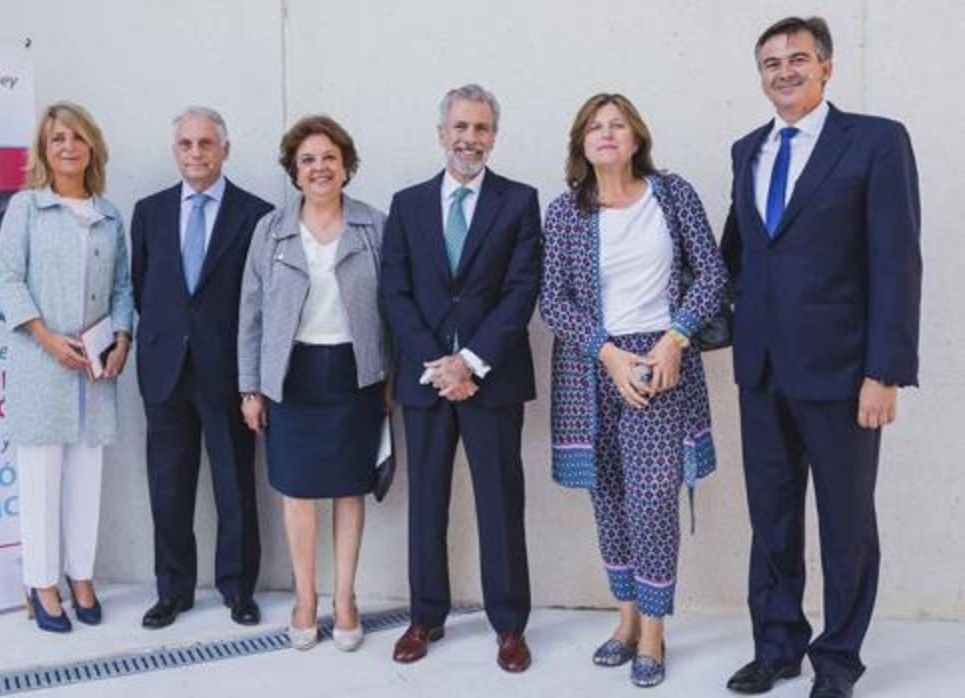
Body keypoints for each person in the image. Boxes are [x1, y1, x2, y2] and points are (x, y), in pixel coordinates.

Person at [721, 17, 921, 698]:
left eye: (798, 59)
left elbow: (897, 261)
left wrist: (885, 370)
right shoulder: (746, 149)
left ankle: (837, 662)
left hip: (844, 373)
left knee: (846, 524)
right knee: (771, 518)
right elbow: (741, 255)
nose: (784, 71)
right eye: (771, 62)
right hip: (762, 370)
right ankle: (777, 646)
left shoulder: (874, 141)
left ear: (826, 67)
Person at [541, 93, 727, 687]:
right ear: (581, 142)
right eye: (595, 126)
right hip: (595, 363)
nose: (607, 133)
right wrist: (606, 352)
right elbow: (553, 298)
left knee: (652, 502)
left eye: (618, 124)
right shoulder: (565, 212)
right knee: (611, 498)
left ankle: (653, 628)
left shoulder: (672, 196)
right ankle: (624, 618)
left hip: (661, 362)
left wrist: (675, 339)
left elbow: (712, 272)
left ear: (637, 137)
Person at [380, 84, 539, 673]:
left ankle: (509, 627)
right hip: (426, 381)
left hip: (490, 380)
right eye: (460, 128)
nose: (470, 139)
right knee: (427, 502)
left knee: (501, 502)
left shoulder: (520, 201)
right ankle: (425, 618)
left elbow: (522, 290)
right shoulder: (408, 203)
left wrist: (469, 362)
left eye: (481, 129)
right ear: (441, 132)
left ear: (494, 136)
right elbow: (394, 292)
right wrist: (436, 364)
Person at [237, 115, 388, 652]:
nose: (319, 167)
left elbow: (393, 307)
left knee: (351, 489)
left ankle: (345, 599)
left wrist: (389, 378)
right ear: (294, 171)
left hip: (355, 374)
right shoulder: (270, 229)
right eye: (308, 159)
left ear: (346, 166)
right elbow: (250, 313)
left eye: (329, 157)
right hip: (291, 377)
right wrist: (250, 387)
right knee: (297, 493)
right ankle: (306, 598)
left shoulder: (375, 225)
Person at [131, 107, 273, 630]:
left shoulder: (256, 213)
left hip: (228, 372)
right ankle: (173, 591)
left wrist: (252, 378)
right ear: (176, 151)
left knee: (235, 483)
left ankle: (238, 589)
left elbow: (258, 299)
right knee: (168, 485)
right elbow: (145, 285)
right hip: (165, 368)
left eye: (206, 144)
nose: (196, 153)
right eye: (186, 144)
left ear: (225, 149)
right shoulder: (148, 212)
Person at [0, 101, 134, 633]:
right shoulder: (27, 208)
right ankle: (42, 581)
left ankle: (81, 575)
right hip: (41, 363)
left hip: (96, 369)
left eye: (77, 137)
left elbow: (123, 286)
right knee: (40, 476)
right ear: (44, 150)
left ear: (92, 145)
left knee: (86, 476)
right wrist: (46, 338)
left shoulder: (109, 214)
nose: (69, 146)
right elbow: (8, 279)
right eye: (58, 139)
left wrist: (122, 337)